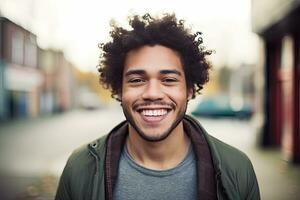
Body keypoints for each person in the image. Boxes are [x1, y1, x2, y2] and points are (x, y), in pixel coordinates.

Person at [55, 13, 260, 200]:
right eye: (136, 80)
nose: (152, 93)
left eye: (169, 79)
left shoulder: (237, 169)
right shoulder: (80, 168)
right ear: (119, 90)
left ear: (189, 89)